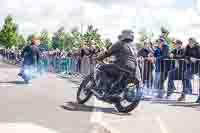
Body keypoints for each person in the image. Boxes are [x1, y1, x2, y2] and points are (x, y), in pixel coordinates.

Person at [96, 30, 139, 98]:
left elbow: (108, 52)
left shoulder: (120, 43)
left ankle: (103, 89)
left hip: (121, 67)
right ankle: (113, 92)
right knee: (112, 70)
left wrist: (99, 58)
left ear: (124, 35)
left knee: (102, 68)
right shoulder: (134, 47)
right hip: (131, 70)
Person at [179, 38, 200, 102]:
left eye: (191, 42)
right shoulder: (187, 47)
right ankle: (185, 94)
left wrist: (195, 59)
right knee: (185, 76)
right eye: (189, 42)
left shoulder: (198, 47)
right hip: (191, 66)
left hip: (198, 66)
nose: (190, 43)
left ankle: (199, 98)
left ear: (194, 42)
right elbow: (184, 55)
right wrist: (189, 58)